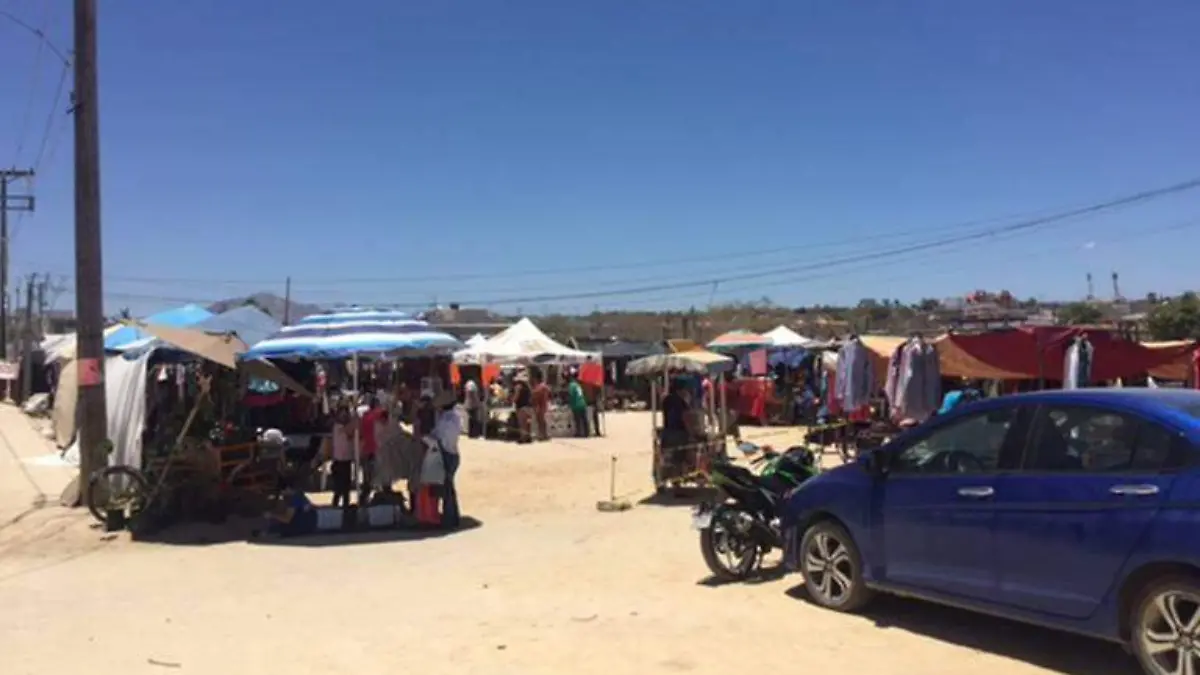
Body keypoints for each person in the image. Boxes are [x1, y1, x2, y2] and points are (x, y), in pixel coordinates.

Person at [430, 390, 462, 529]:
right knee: (449, 487)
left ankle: (450, 518)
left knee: (447, 488)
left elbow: (438, 435)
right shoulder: (455, 417)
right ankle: (452, 516)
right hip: (453, 453)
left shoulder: (445, 420)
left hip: (447, 454)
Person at [326, 405, 356, 507]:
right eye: (342, 414)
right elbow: (348, 431)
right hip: (338, 461)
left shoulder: (344, 427)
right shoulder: (337, 427)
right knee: (339, 487)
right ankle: (335, 506)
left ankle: (345, 507)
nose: (344, 416)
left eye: (345, 414)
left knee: (346, 487)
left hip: (346, 460)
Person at [531, 372, 552, 441]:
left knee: (541, 421)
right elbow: (550, 394)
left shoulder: (539, 387)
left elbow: (535, 396)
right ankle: (544, 434)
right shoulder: (545, 386)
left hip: (540, 406)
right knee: (543, 421)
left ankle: (542, 435)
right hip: (544, 405)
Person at [512, 375, 533, 443]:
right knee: (527, 423)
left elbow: (516, 396)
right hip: (529, 406)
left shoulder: (518, 386)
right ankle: (528, 437)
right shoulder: (528, 387)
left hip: (521, 406)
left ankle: (523, 438)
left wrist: (512, 400)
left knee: (522, 423)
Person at [567, 373, 589, 438]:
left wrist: (569, 402)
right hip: (583, 402)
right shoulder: (578, 385)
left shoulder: (571, 385)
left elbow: (571, 395)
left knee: (577, 420)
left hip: (576, 404)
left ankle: (578, 432)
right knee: (584, 419)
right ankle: (586, 433)